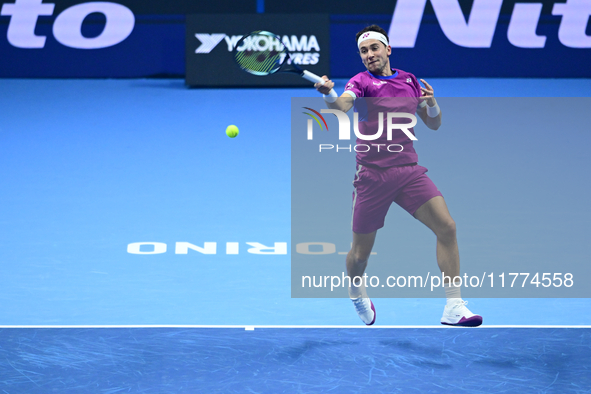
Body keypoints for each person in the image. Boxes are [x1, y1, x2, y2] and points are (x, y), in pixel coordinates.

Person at [314, 25, 482, 327]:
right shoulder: (360, 82)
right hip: (371, 177)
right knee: (360, 255)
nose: (369, 55)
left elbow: (433, 124)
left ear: (387, 50)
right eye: (364, 51)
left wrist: (432, 102)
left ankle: (454, 306)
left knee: (447, 227)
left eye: (374, 49)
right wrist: (329, 95)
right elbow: (342, 106)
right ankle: (355, 289)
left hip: (408, 173)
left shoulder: (409, 81)